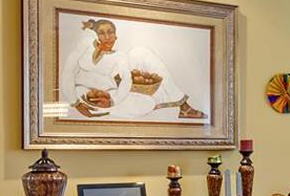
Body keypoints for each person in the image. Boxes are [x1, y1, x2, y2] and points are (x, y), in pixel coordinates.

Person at [64, 18, 205, 120]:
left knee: (140, 52)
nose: (107, 37)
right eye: (101, 33)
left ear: (116, 35)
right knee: (147, 104)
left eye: (110, 32)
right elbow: (68, 72)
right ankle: (176, 104)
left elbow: (126, 80)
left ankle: (182, 104)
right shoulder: (85, 45)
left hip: (115, 91)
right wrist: (75, 103)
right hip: (87, 92)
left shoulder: (119, 56)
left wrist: (113, 99)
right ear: (96, 35)